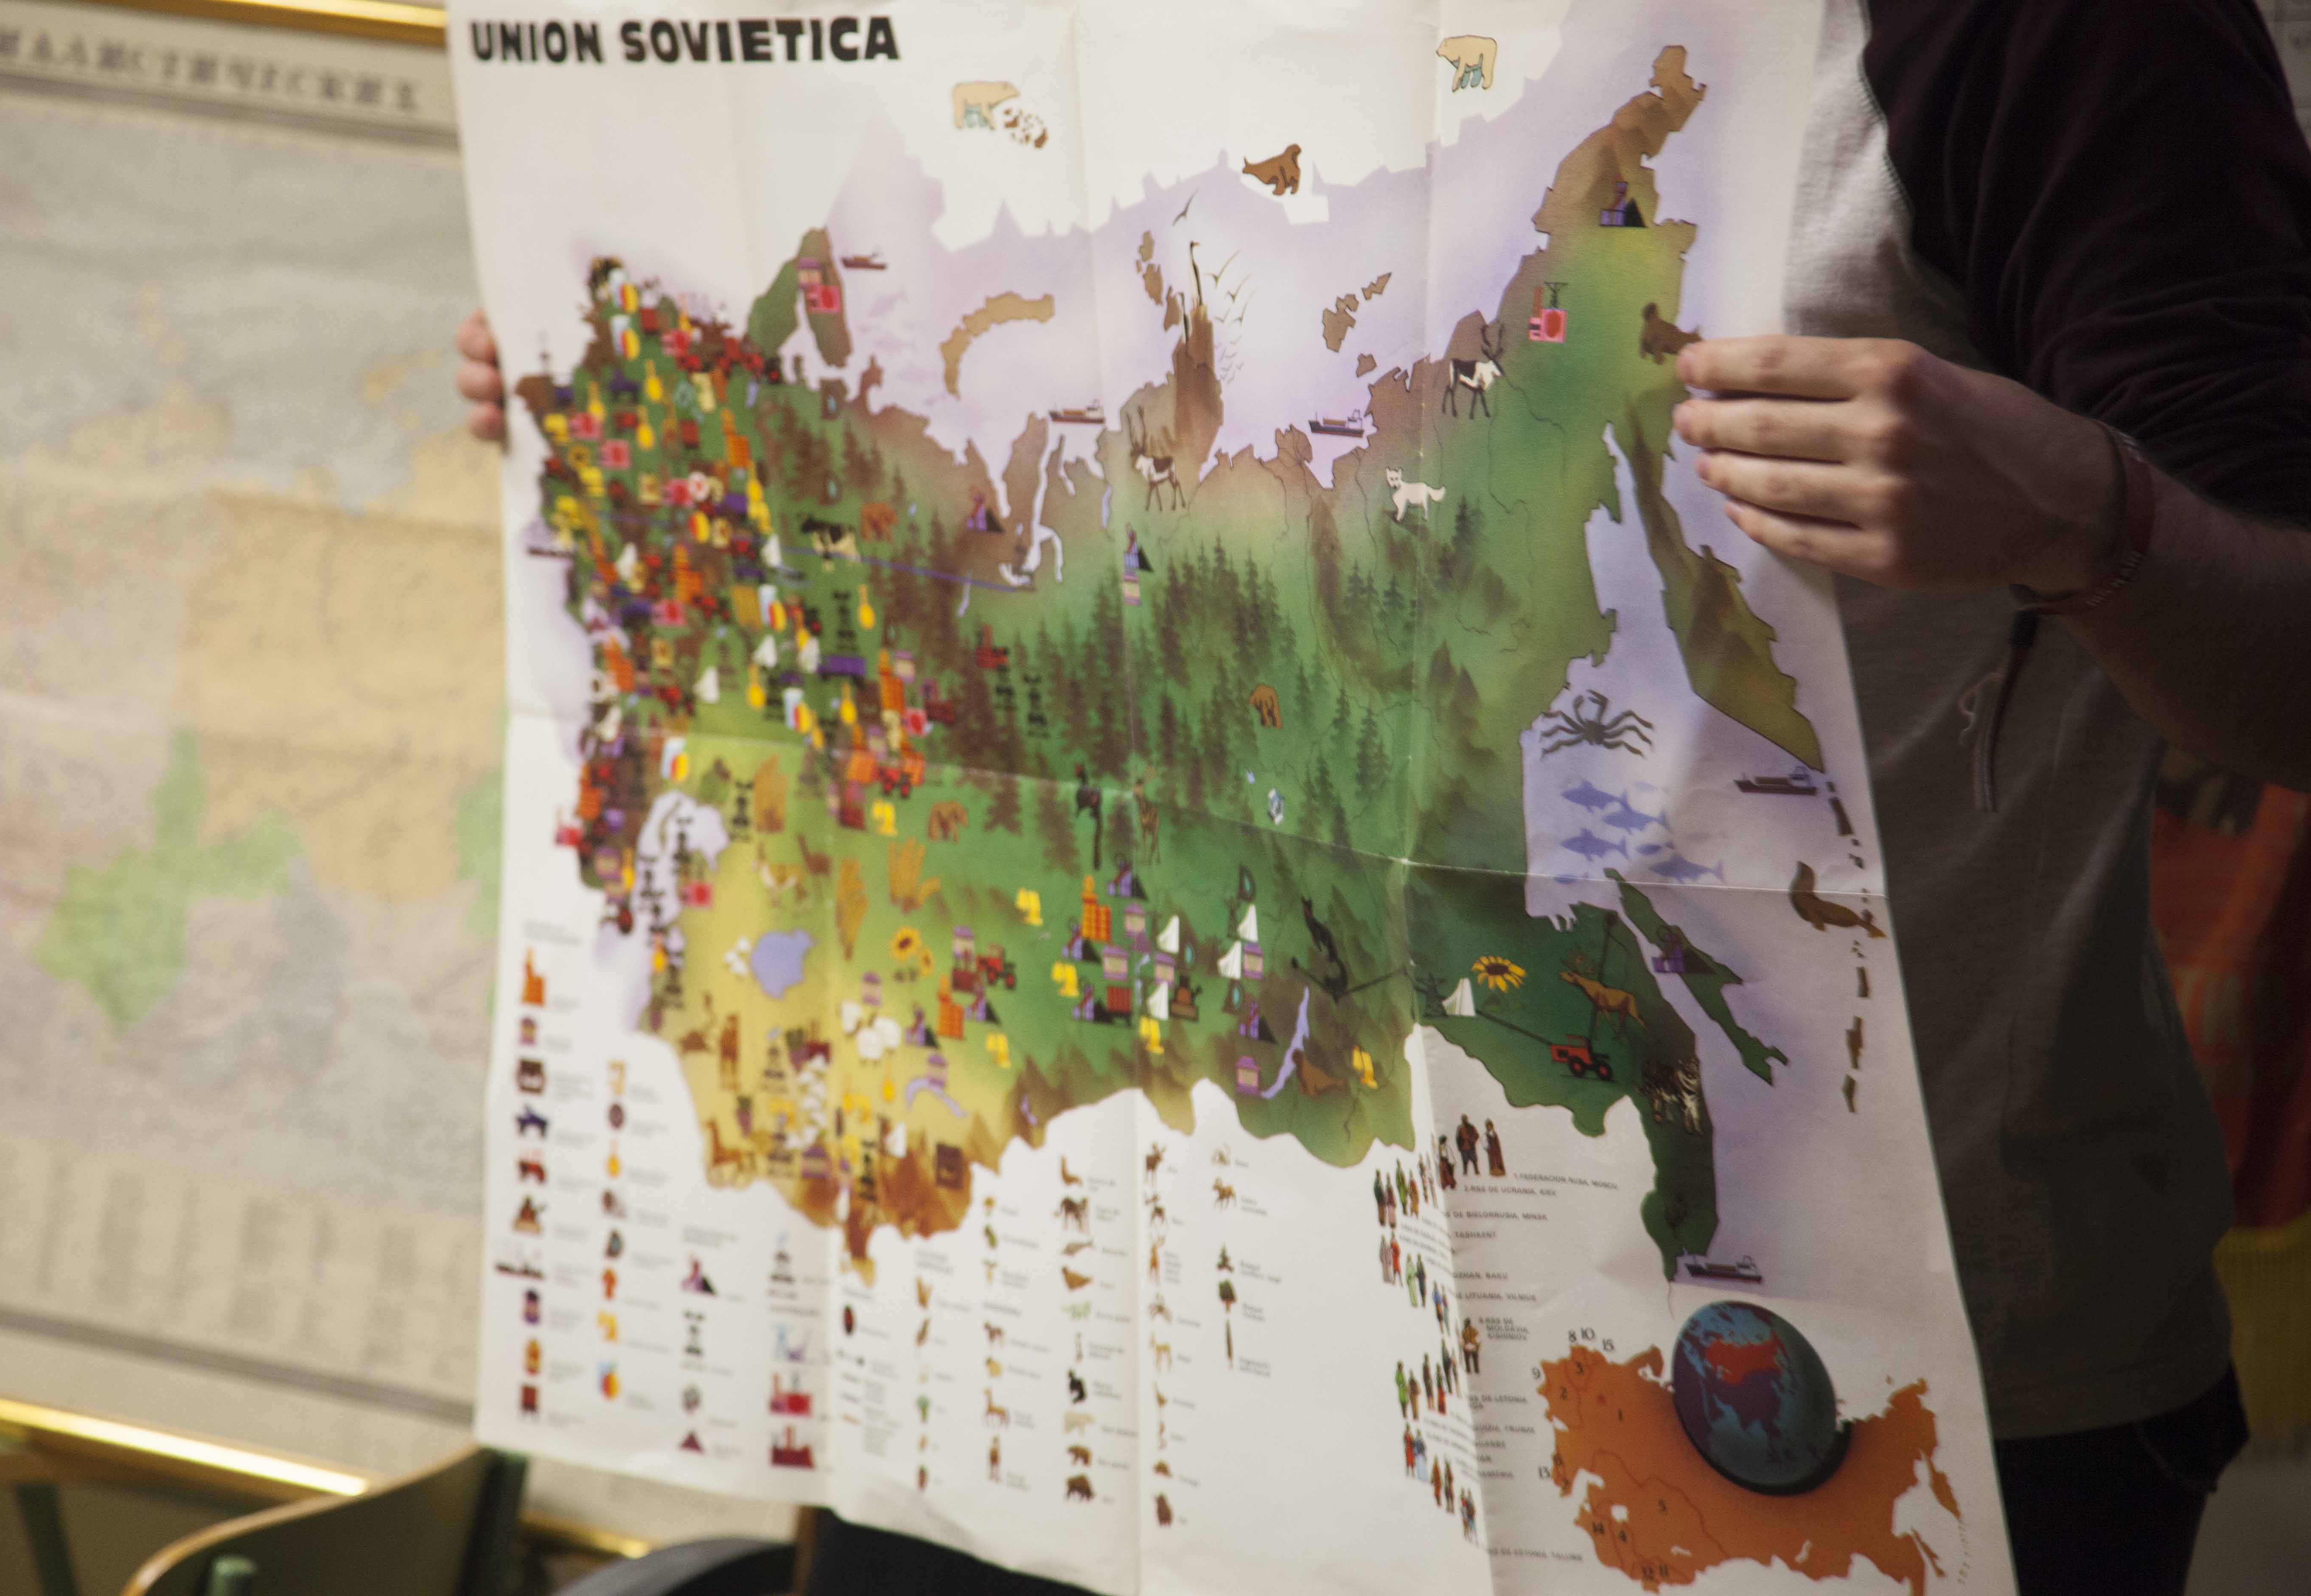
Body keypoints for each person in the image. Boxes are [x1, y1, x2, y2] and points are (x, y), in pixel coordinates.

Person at [454, 2, 2307, 1590]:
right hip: (1095, 1362)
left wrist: (2096, 520)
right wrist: (651, 394)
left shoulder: (2037, 32)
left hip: (1798, 1389)